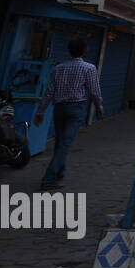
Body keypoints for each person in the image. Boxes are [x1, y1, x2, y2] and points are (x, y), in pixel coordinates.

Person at [33, 38, 104, 190]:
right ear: (84, 51)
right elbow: (94, 92)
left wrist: (41, 111)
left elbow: (49, 91)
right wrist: (99, 108)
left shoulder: (59, 68)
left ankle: (60, 171)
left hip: (59, 108)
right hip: (76, 108)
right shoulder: (89, 68)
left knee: (61, 141)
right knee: (65, 143)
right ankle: (49, 178)